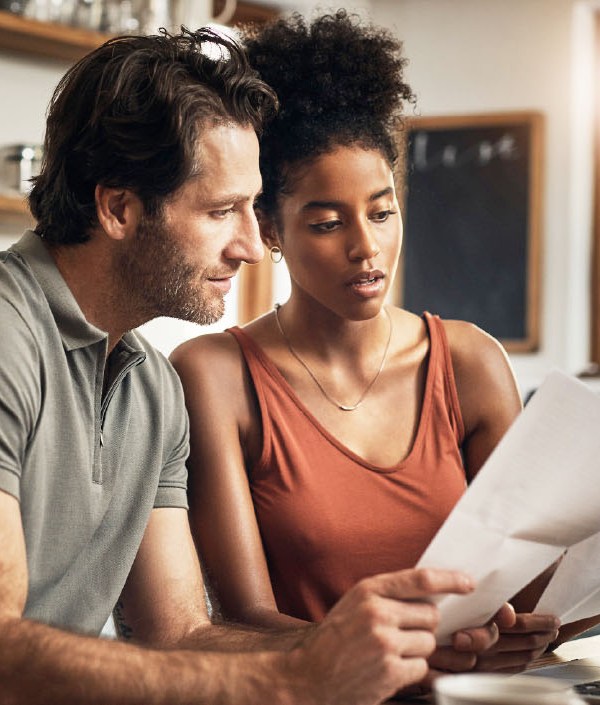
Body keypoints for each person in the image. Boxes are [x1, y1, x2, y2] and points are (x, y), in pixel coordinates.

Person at [0, 25, 481, 705]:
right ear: (118, 207)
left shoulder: (153, 385)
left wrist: (373, 643)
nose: (254, 247)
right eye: (224, 211)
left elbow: (180, 633)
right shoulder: (8, 338)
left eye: (252, 209)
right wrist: (294, 677)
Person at [169, 10, 571, 686]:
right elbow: (243, 619)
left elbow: (533, 595)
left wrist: (533, 625)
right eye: (327, 222)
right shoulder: (216, 376)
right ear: (268, 226)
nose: (366, 248)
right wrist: (408, 656)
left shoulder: (469, 364)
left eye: (382, 212)